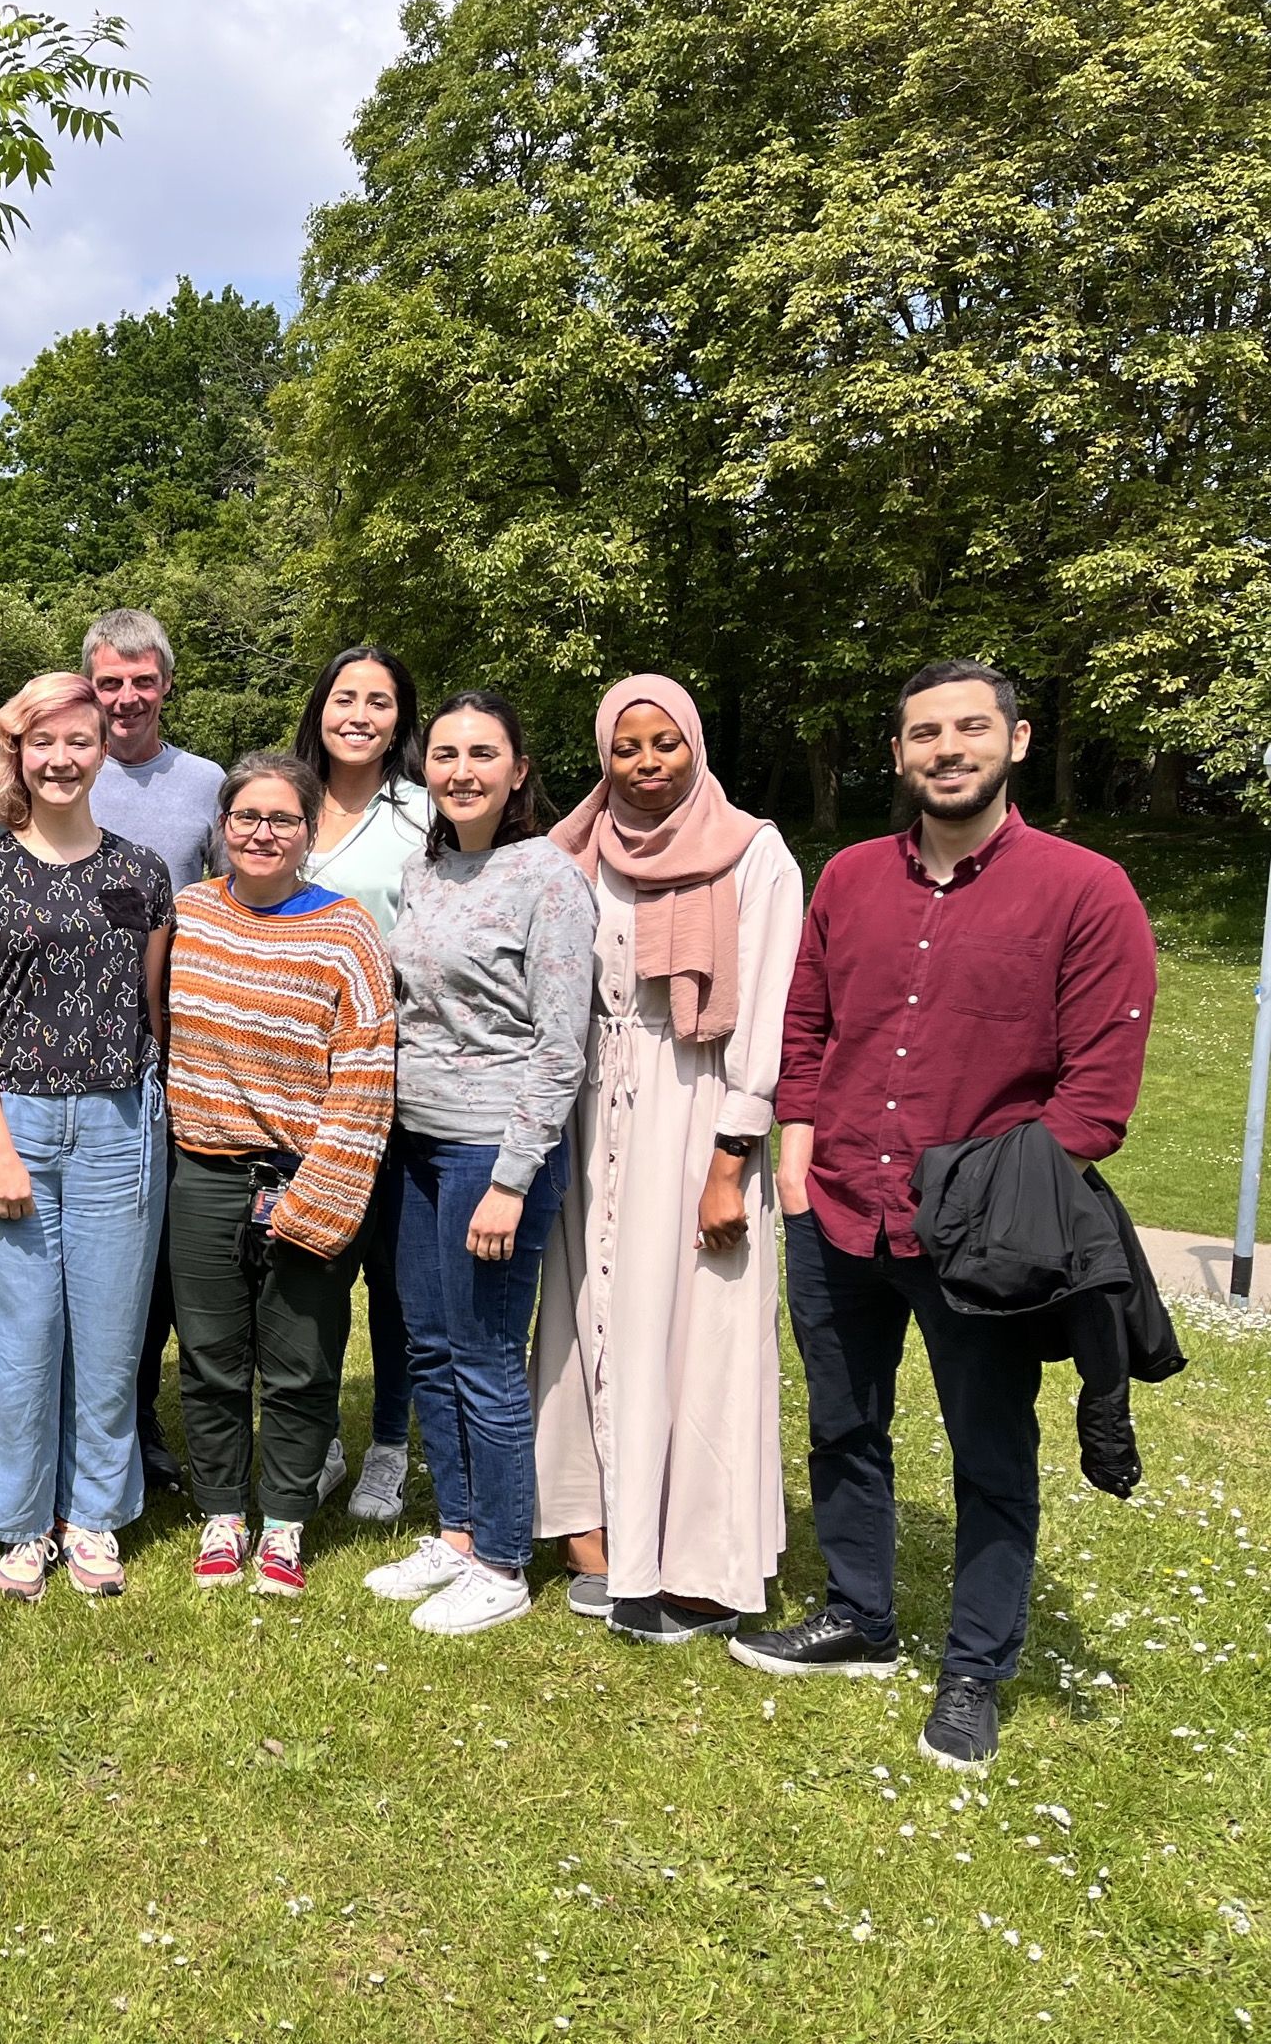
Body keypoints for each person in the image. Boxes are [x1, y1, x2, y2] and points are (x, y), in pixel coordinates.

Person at [739, 660, 1157, 1776]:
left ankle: (974, 1667)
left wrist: (980, 1193)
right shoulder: (850, 880)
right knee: (842, 1426)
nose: (947, 747)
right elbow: (809, 1024)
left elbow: (1095, 1101)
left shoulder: (1085, 890)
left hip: (979, 1235)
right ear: (897, 754)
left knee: (988, 1451)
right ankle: (859, 1619)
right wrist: (796, 1154)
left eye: (972, 728)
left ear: (1015, 743)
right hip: (834, 1212)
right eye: (925, 732)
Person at [529, 676, 804, 1640]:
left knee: (691, 1328)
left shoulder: (753, 853)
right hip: (589, 1106)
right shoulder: (576, 850)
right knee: (586, 1315)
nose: (646, 765)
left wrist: (733, 1156)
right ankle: (590, 1531)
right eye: (625, 748)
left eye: (665, 745)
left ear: (696, 745)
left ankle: (692, 1561)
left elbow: (766, 1009)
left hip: (696, 1108)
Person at [0, 673, 175, 1600]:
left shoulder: (141, 872)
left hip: (122, 1122)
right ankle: (19, 1522)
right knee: (18, 1334)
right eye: (43, 744)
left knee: (112, 1333)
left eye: (78, 741)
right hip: (14, 1120)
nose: (62, 759)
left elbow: (149, 1009)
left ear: (102, 748)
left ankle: (96, 1517)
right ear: (17, 755)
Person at [365, 690, 591, 1636]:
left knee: (487, 1354)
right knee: (428, 1345)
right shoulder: (429, 869)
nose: (460, 771)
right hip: (413, 1141)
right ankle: (456, 1533)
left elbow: (560, 1043)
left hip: (494, 1150)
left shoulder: (547, 878)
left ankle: (503, 1556)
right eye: (445, 754)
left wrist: (509, 1178)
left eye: (482, 754)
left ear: (519, 770)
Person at [165, 753, 396, 1598]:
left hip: (309, 1172)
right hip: (205, 1172)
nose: (263, 833)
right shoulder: (188, 914)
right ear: (222, 827)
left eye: (283, 820)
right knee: (212, 1358)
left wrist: (325, 1191)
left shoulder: (346, 932)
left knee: (301, 1364)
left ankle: (286, 1524)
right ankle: (224, 1515)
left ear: (307, 833)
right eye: (247, 817)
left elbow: (368, 1069)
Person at [79, 607, 223, 1496]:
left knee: (162, 1248)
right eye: (109, 683)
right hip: (71, 1043)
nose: (125, 699)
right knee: (100, 1243)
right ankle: (101, 1419)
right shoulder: (64, 769)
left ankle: (141, 1420)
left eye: (142, 681)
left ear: (167, 685)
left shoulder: (207, 783)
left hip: (178, 1042)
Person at [294, 644, 435, 1528]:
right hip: (291, 1078)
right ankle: (318, 1441)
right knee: (311, 1265)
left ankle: (388, 1443)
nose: (359, 715)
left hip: (393, 1073)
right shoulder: (282, 802)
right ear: (320, 708)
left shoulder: (425, 812)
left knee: (390, 1275)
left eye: (379, 701)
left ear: (399, 719)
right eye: (344, 697)